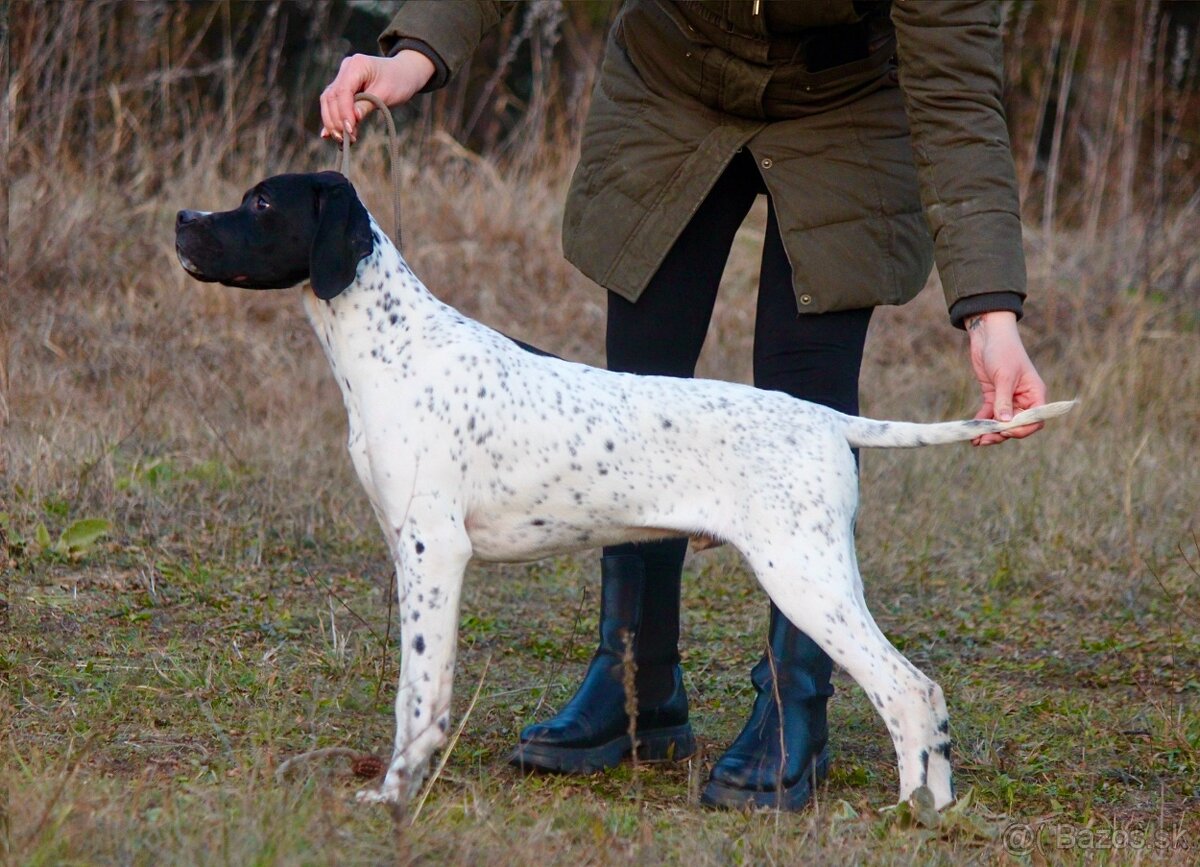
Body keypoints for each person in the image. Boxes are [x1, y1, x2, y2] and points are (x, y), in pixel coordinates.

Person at [320, 0, 1048, 812]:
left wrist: (991, 314)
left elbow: (956, 92)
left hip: (841, 101)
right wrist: (415, 52)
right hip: (675, 78)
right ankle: (635, 689)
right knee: (636, 378)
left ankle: (792, 705)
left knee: (798, 413)